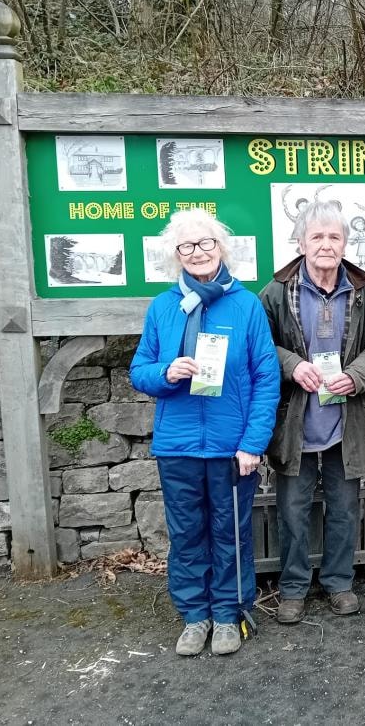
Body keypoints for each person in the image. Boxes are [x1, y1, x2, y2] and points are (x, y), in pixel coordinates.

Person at [130, 208, 280, 657]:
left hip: (232, 449)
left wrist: (253, 443)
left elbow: (265, 379)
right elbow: (139, 371)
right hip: (177, 445)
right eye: (187, 246)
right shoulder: (162, 307)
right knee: (187, 535)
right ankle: (195, 616)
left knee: (230, 533)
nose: (197, 253)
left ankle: (229, 615)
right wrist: (166, 371)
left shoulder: (247, 305)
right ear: (176, 255)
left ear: (221, 248)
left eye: (206, 243)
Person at [260, 201, 365, 624]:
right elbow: (259, 345)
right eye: (316, 236)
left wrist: (356, 375)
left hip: (346, 420)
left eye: (334, 237)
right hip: (295, 422)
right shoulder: (275, 293)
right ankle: (294, 588)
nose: (325, 245)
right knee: (293, 510)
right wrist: (291, 363)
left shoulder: (364, 293)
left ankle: (339, 582)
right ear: (300, 243)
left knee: (343, 507)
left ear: (345, 243)